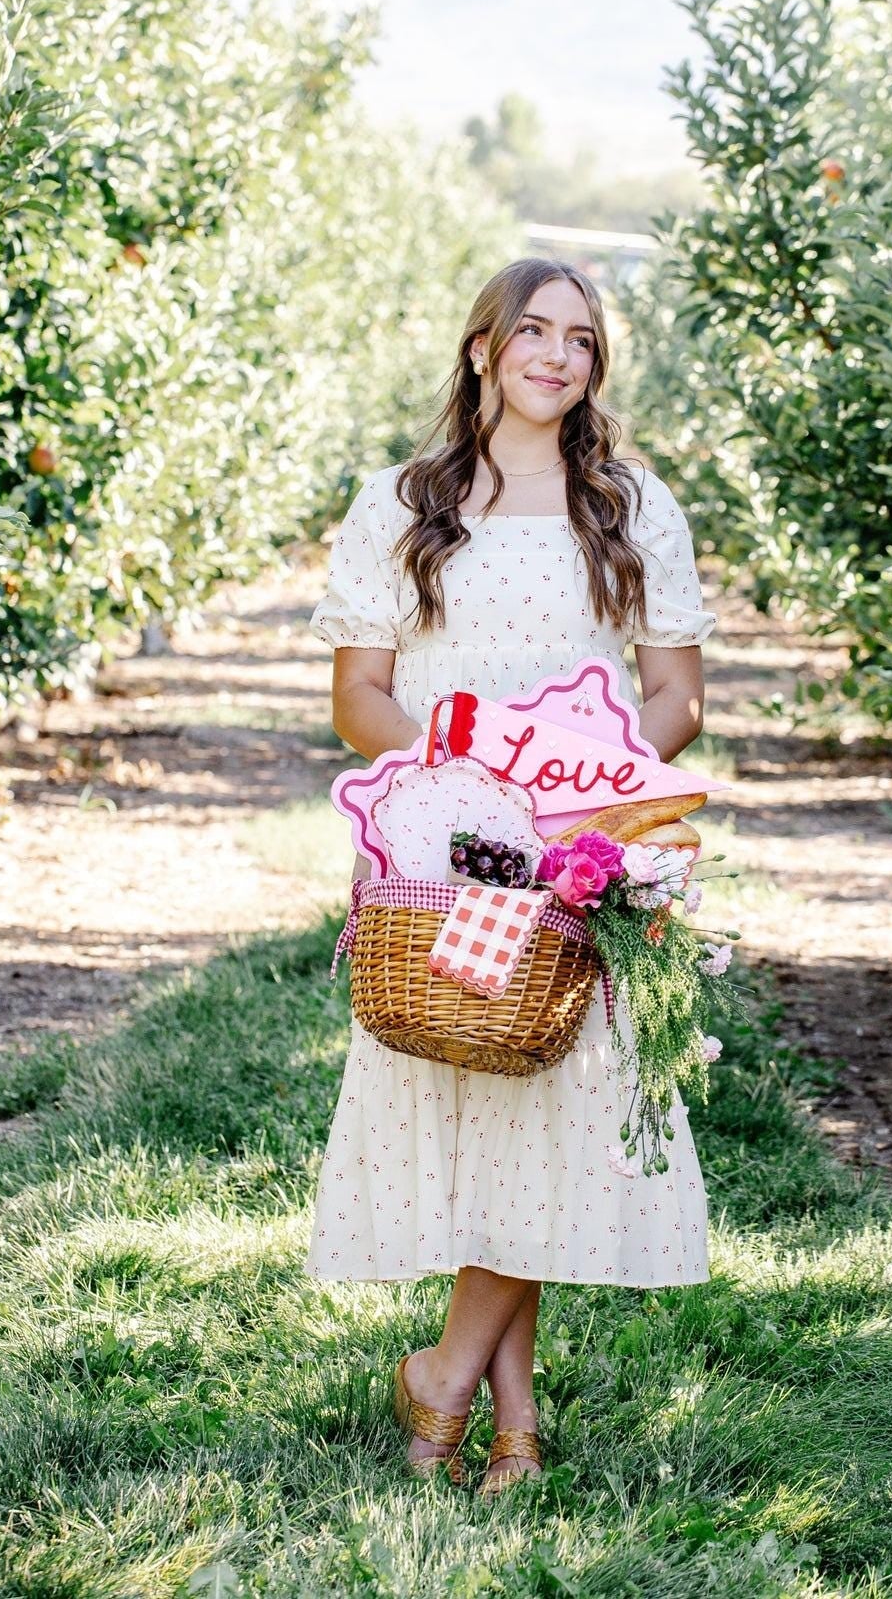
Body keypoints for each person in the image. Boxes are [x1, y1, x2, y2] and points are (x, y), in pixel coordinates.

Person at [306, 256, 715, 1495]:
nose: (555, 354)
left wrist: (581, 791)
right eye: (531, 330)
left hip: (578, 852)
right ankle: (510, 1427)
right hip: (440, 845)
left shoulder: (633, 508)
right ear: (482, 348)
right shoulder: (400, 503)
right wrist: (471, 781)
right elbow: (357, 697)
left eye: (581, 340)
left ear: (596, 368)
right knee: (478, 1081)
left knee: (551, 1094)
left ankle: (451, 1384)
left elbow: (677, 693)